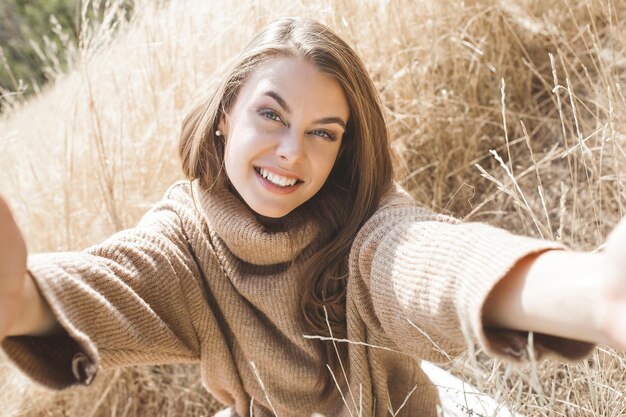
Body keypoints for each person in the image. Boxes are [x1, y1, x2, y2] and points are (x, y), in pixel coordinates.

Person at [0, 16, 624, 417]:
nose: (292, 153)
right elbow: (108, 286)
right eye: (270, 115)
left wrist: (591, 292)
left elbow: (427, 262)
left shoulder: (364, 223)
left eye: (323, 133)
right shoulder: (186, 241)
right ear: (224, 116)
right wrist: (20, 299)